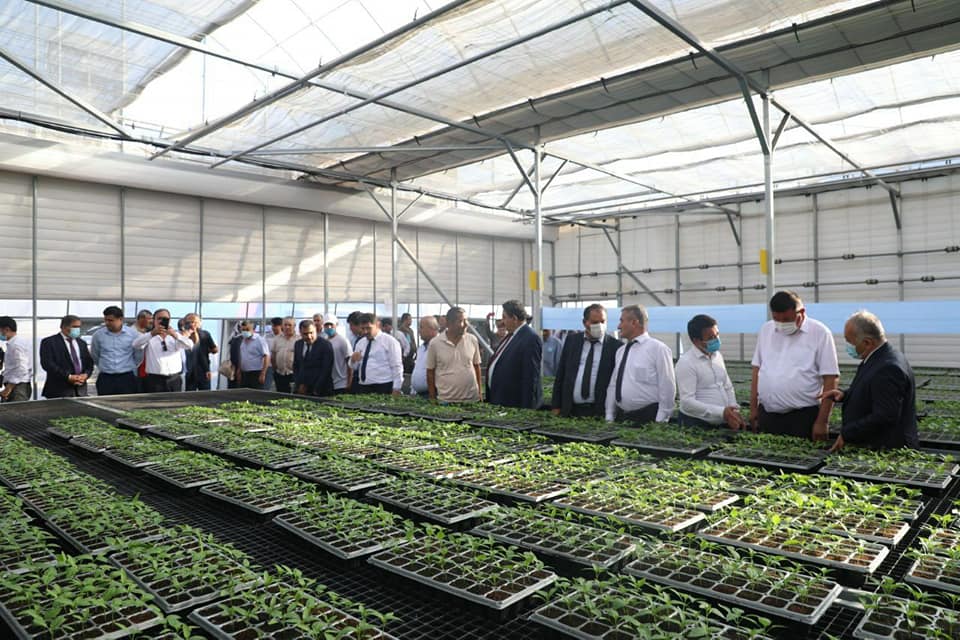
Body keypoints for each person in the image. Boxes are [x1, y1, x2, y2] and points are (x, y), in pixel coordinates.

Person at [822, 311, 918, 451]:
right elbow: (872, 390)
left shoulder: (888, 368)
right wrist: (845, 395)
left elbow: (884, 416)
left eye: (850, 342)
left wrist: (847, 433)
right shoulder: (878, 357)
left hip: (886, 450)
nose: (848, 346)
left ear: (867, 342)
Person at [750, 290, 839, 440]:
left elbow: (830, 378)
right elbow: (757, 369)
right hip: (767, 414)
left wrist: (822, 421)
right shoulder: (766, 330)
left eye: (787, 319)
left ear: (801, 312)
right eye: (776, 319)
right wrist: (753, 408)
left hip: (802, 417)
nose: (781, 324)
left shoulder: (820, 333)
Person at [605, 304, 676, 425]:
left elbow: (667, 387)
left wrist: (661, 420)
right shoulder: (621, 351)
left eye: (622, 321)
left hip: (648, 418)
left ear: (634, 322)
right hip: (622, 418)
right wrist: (609, 415)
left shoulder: (658, 349)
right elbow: (613, 384)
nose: (618, 326)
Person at [675, 314, 745, 429]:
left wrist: (733, 410)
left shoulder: (717, 356)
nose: (716, 340)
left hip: (723, 421)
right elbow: (687, 402)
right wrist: (721, 412)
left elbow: (727, 386)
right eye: (710, 338)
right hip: (697, 424)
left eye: (717, 334)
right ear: (696, 341)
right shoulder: (686, 363)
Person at [551, 304, 620, 418]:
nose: (599, 326)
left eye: (603, 322)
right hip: (571, 409)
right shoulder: (572, 341)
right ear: (584, 322)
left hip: (600, 411)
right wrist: (556, 405)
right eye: (594, 322)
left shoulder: (615, 346)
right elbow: (561, 374)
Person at [486, 300, 542, 409]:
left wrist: (526, 410)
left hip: (514, 404)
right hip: (501, 401)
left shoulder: (530, 338)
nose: (502, 322)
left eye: (505, 317)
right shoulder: (511, 336)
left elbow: (530, 378)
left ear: (515, 319)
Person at [427, 307, 483, 403]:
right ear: (449, 323)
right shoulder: (435, 343)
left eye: (466, 320)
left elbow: (476, 366)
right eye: (461, 321)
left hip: (472, 400)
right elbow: (430, 372)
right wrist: (432, 398)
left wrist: (480, 393)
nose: (466, 324)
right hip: (446, 401)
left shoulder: (472, 340)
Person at [132, 308, 193, 393]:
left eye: (165, 319)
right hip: (154, 380)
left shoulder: (175, 336)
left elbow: (190, 345)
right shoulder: (149, 336)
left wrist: (175, 335)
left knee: (175, 401)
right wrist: (152, 334)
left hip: (174, 379)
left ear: (169, 320)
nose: (162, 321)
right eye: (159, 318)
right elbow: (136, 344)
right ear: (154, 320)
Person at [40, 315, 94, 398]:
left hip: (80, 390)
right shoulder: (49, 342)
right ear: (64, 327)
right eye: (74, 327)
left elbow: (89, 363)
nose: (77, 329)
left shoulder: (81, 343)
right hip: (59, 390)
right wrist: (69, 377)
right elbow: (47, 364)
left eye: (79, 327)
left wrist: (86, 375)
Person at [90, 306, 139, 396]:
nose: (107, 323)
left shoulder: (132, 334)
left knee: (127, 402)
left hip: (127, 378)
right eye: (106, 320)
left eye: (110, 320)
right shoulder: (98, 335)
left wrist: (131, 367)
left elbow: (138, 355)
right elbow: (95, 355)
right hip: (106, 378)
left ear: (120, 319)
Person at [350, 312, 402, 395]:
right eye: (363, 328)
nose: (365, 331)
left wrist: (396, 388)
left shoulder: (389, 341)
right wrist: (353, 360)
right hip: (363, 386)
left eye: (368, 328)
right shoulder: (360, 343)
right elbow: (354, 367)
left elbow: (396, 366)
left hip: (383, 385)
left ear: (378, 325)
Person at [294, 320, 335, 396]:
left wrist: (316, 389)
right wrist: (299, 384)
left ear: (316, 330)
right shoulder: (298, 344)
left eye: (311, 333)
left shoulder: (325, 345)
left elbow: (326, 369)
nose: (309, 336)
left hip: (321, 390)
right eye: (305, 334)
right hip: (302, 389)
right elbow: (296, 366)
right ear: (300, 333)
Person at [229, 320, 270, 389]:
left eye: (247, 329)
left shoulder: (259, 340)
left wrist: (263, 373)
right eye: (243, 330)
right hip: (244, 373)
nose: (245, 332)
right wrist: (239, 370)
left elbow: (267, 356)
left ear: (253, 330)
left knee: (255, 393)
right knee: (245, 393)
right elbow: (242, 356)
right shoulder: (242, 340)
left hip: (256, 372)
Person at [182, 313, 218, 391]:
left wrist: (205, 351)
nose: (192, 324)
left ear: (199, 323)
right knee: (190, 395)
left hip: (203, 370)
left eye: (194, 322)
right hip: (190, 371)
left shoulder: (205, 334)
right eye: (189, 322)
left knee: (204, 394)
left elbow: (215, 350)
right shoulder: (183, 335)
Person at [0, 316, 31, 402]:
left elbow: (21, 368)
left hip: (18, 387)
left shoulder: (16, 345)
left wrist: (9, 388)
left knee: (17, 409)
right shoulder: (14, 343)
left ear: (6, 329)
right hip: (16, 385)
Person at [320, 314, 352, 394]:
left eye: (331, 324)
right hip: (329, 382)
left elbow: (350, 362)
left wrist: (349, 382)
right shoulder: (324, 340)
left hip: (341, 383)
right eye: (326, 325)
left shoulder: (342, 340)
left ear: (336, 325)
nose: (329, 327)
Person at [410, 316, 439, 398]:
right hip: (419, 394)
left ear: (432, 329)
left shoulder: (439, 346)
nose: (419, 331)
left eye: (421, 327)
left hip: (433, 394)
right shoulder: (421, 348)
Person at [270, 317, 298, 394]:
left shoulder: (299, 339)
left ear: (294, 326)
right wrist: (275, 369)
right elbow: (273, 355)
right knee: (281, 395)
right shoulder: (277, 339)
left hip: (293, 374)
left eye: (289, 325)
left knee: (294, 396)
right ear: (282, 326)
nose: (287, 327)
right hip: (280, 374)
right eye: (285, 325)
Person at [133, 309, 152, 391]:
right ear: (141, 319)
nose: (151, 322)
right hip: (135, 370)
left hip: (147, 372)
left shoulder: (148, 333)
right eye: (149, 319)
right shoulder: (131, 333)